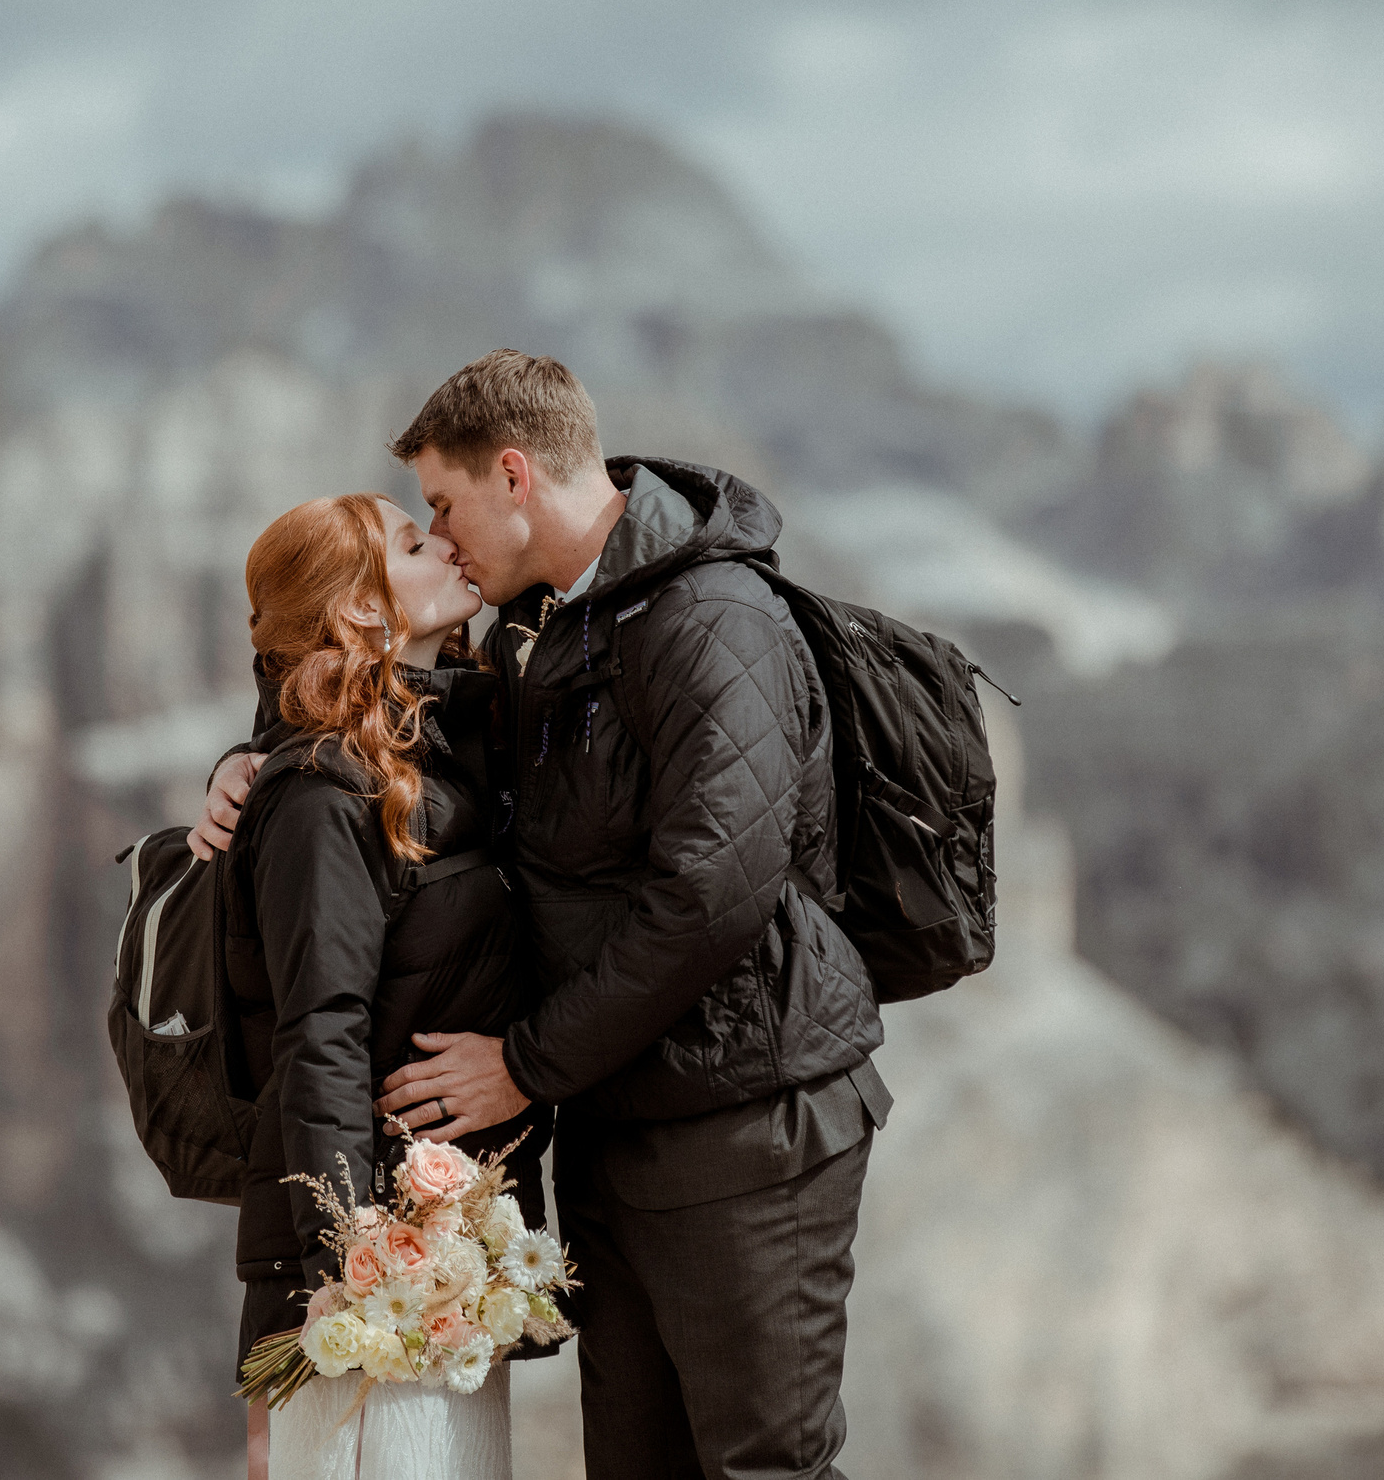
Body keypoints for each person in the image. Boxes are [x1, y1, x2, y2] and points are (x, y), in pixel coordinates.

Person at [201, 352, 889, 1480]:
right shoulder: (539, 622)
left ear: (513, 475)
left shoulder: (709, 619)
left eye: (442, 507)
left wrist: (523, 1065)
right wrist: (255, 758)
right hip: (616, 1117)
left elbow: (709, 892)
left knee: (762, 1463)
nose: (442, 535)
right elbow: (366, 697)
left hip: (748, 1113)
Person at [223, 490, 553, 1480]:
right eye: (415, 542)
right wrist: (346, 1262)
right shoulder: (325, 792)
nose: (444, 544)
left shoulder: (435, 743)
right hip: (375, 1263)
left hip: (446, 1244)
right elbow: (319, 1028)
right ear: (364, 611)